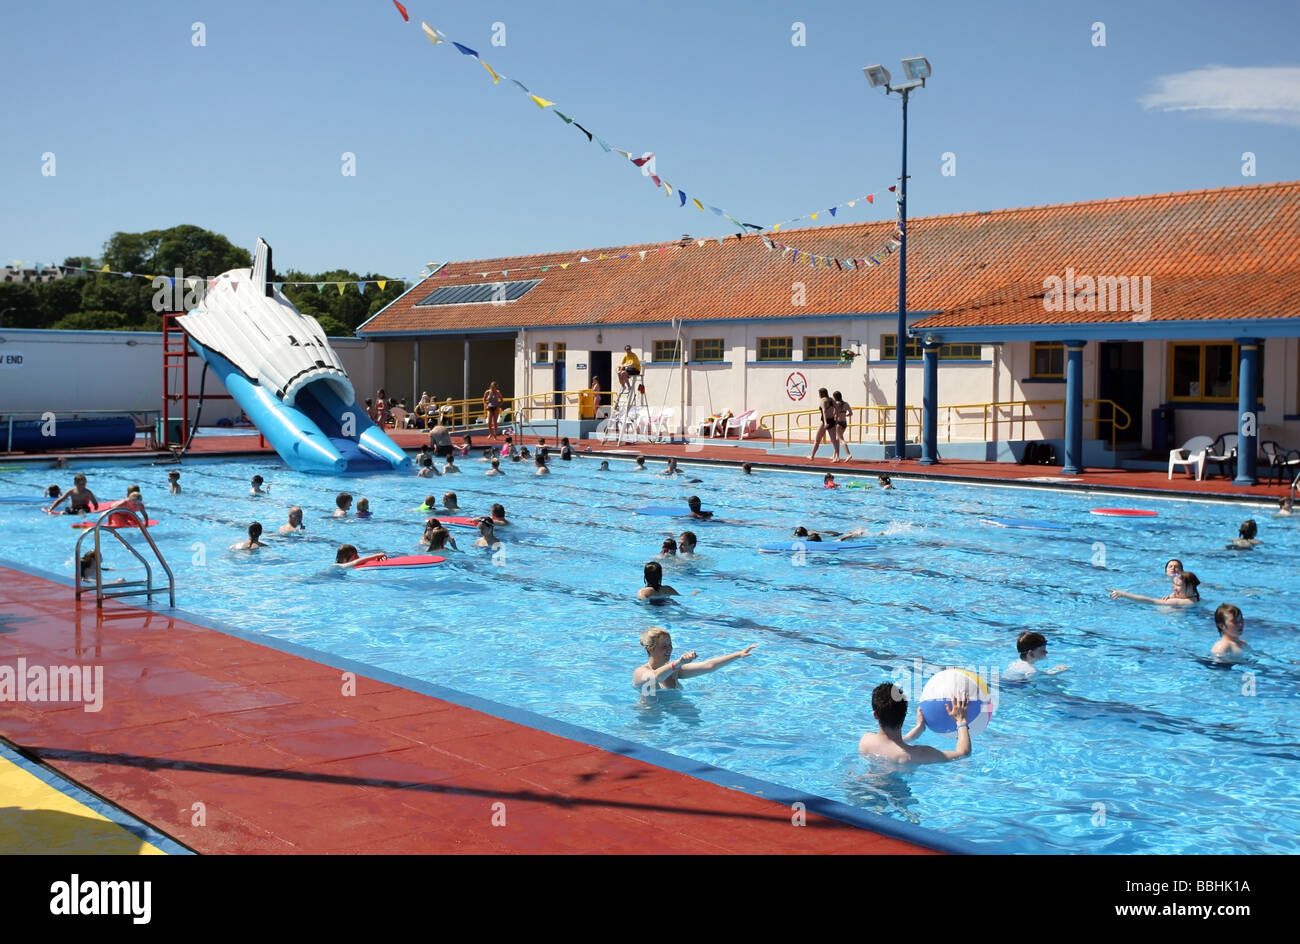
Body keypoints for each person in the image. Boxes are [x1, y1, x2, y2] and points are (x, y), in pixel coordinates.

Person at [858, 683, 973, 765]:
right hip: (898, 797)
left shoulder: (865, 741)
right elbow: (963, 753)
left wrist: (918, 729)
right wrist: (961, 720)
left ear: (875, 715)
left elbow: (891, 744)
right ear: (905, 713)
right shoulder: (917, 755)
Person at [632, 626, 758, 692]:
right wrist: (679, 662)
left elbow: (709, 666)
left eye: (670, 644)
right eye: (664, 646)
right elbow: (656, 677)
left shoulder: (675, 671)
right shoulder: (640, 672)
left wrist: (738, 654)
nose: (669, 649)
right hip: (650, 720)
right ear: (650, 649)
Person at [1109, 570, 1200, 606]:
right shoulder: (1192, 597)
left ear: (1191, 587)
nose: (1174, 587)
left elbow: (1151, 601)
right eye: (1173, 583)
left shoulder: (1181, 602)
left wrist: (1123, 594)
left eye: (1178, 585)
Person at [808, 388, 836, 461]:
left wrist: (826, 422)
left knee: (817, 439)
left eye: (819, 393)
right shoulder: (831, 399)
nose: (819, 395)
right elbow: (837, 408)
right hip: (832, 420)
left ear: (822, 394)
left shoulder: (823, 400)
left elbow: (824, 412)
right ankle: (835, 456)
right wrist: (835, 415)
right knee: (833, 440)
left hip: (825, 421)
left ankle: (812, 456)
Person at [833, 391, 853, 462]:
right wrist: (845, 415)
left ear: (835, 397)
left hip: (838, 422)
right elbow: (851, 413)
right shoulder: (846, 404)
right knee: (837, 438)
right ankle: (835, 456)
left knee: (841, 439)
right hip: (844, 422)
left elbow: (834, 413)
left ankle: (848, 454)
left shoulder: (836, 404)